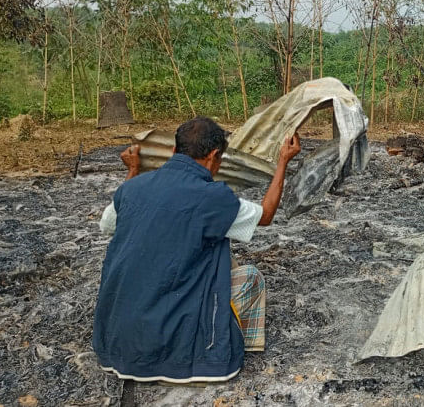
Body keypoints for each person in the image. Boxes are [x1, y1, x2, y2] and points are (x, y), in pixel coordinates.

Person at [93, 117, 301, 383]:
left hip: (118, 343)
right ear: (214, 155)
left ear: (173, 151)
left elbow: (108, 224)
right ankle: (227, 349)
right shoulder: (213, 197)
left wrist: (133, 170)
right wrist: (283, 161)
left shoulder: (131, 189)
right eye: (220, 159)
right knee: (249, 277)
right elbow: (267, 214)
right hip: (175, 350)